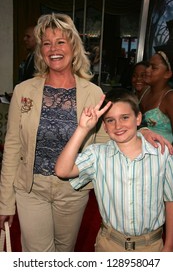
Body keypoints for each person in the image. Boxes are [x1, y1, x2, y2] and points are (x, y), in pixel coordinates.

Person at [0, 13, 172, 252]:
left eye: (60, 41)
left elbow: (108, 135)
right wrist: (5, 203)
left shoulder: (93, 93)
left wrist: (141, 132)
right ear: (41, 50)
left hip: (73, 189)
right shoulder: (24, 91)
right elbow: (12, 147)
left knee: (64, 252)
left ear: (73, 46)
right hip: (31, 188)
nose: (53, 49)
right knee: (38, 257)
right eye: (46, 43)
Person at [55, 88, 173, 252]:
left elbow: (170, 200)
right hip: (109, 244)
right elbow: (62, 170)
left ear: (138, 118)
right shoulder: (97, 155)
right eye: (110, 120)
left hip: (151, 246)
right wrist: (82, 128)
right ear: (104, 126)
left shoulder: (161, 154)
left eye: (125, 117)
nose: (118, 125)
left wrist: (169, 245)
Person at [140, 51, 173, 143]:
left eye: (153, 68)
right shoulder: (144, 91)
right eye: (148, 66)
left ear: (168, 74)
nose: (147, 70)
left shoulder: (170, 98)